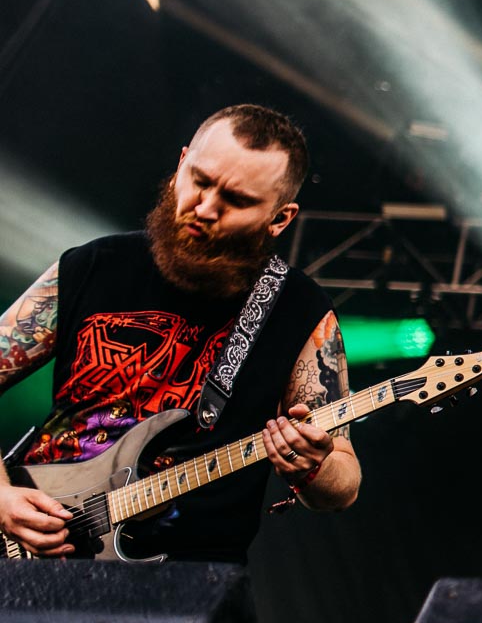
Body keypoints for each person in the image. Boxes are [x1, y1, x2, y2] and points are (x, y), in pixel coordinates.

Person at [0, 105, 360, 562]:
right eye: (200, 180)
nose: (205, 208)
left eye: (237, 200)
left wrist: (313, 466)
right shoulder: (92, 267)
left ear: (281, 218)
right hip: (35, 554)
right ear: (181, 164)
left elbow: (343, 485)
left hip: (190, 589)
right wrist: (2, 498)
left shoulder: (299, 309)